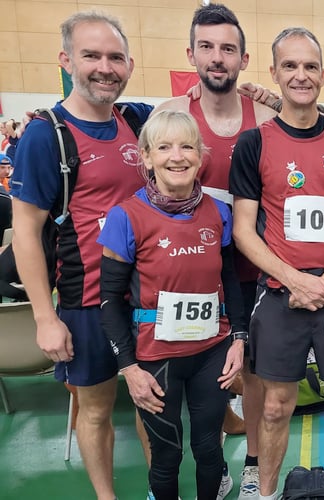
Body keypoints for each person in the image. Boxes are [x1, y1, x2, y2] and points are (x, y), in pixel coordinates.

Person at [229, 27, 324, 500]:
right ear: (274, 73)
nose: (301, 75)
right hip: (281, 294)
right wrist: (295, 279)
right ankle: (268, 494)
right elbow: (242, 229)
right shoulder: (254, 144)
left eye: (310, 66)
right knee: (275, 407)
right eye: (290, 66)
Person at [10, 11, 152, 500]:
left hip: (146, 298)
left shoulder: (138, 120)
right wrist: (45, 318)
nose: (104, 67)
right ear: (66, 60)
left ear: (130, 64)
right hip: (86, 300)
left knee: (151, 405)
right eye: (91, 55)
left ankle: (160, 490)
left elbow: (200, 106)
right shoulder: (44, 135)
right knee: (95, 408)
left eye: (115, 57)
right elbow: (26, 231)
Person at [152, 5, 277, 498]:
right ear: (191, 54)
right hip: (196, 281)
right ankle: (216, 460)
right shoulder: (171, 117)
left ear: (243, 59)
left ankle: (253, 461)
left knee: (254, 375)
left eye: (228, 49)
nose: (217, 58)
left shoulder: (266, 117)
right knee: (209, 379)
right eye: (207, 47)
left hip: (255, 273)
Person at [98, 109, 246, 500]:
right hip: (154, 359)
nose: (176, 156)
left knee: (210, 449)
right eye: (164, 147)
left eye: (186, 146)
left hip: (212, 354)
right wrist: (128, 368)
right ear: (146, 157)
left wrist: (239, 338)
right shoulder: (125, 217)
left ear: (200, 155)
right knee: (167, 456)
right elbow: (110, 301)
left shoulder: (219, 213)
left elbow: (230, 280)